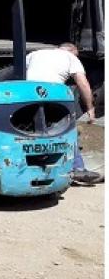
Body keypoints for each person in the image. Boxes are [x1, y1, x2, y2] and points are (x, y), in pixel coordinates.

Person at [26, 43, 102, 185]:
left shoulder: (34, 54)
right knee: (67, 129)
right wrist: (90, 108)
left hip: (27, 97)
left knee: (33, 131)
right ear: (72, 51)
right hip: (51, 96)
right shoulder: (70, 57)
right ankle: (77, 168)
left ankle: (36, 166)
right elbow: (83, 83)